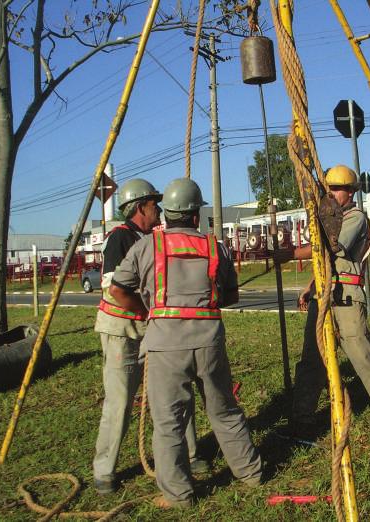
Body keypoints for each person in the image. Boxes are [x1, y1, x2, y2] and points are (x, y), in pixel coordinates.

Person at [109, 177, 262, 508]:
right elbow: (231, 296)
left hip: (165, 345)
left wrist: (148, 311)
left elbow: (118, 290)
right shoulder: (215, 247)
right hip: (208, 341)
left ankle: (179, 496)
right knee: (224, 410)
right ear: (196, 215)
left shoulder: (147, 246)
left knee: (169, 422)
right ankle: (250, 473)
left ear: (167, 214)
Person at [92, 178, 207, 495]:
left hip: (152, 329)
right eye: (153, 204)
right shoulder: (120, 239)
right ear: (140, 207)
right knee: (120, 400)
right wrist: (147, 312)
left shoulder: (152, 238)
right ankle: (104, 471)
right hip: (123, 331)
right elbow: (116, 291)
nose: (159, 209)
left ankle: (190, 454)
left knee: (175, 391)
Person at [279, 165, 370, 432]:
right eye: (330, 189)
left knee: (360, 350)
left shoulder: (355, 217)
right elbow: (326, 261)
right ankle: (302, 414)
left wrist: (289, 254)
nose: (333, 194)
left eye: (339, 189)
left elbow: (330, 247)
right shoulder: (328, 218)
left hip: (346, 295)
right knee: (313, 356)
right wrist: (310, 286)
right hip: (323, 294)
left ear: (352, 191)